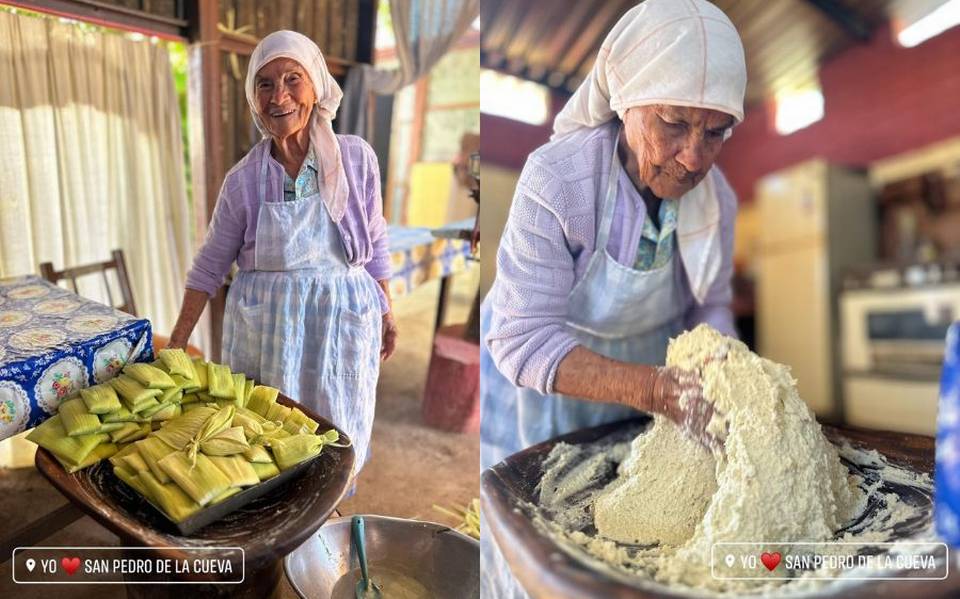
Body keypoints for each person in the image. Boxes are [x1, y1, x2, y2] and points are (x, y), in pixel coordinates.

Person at [480, 0, 747, 595]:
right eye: (674, 123)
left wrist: (722, 363)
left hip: (652, 395)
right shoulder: (559, 179)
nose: (694, 157)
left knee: (635, 554)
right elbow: (521, 338)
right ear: (624, 101)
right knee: (546, 556)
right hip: (546, 394)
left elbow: (711, 303)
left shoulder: (717, 200)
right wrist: (655, 389)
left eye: (717, 131)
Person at [167, 30, 398, 476]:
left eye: (294, 79)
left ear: (317, 86)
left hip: (340, 320)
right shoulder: (243, 180)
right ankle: (279, 528)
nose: (280, 96)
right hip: (270, 330)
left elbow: (375, 239)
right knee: (267, 438)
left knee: (337, 430)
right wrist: (178, 342)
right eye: (265, 84)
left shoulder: (356, 159)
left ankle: (325, 515)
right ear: (254, 98)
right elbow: (210, 266)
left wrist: (388, 309)